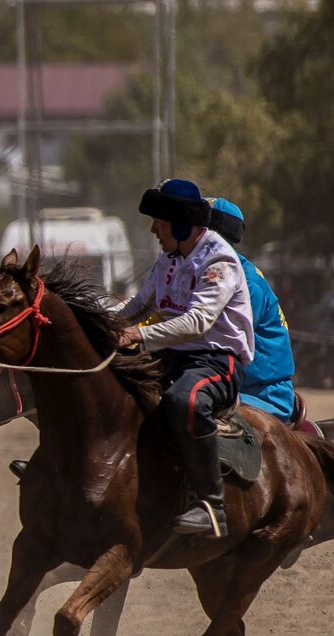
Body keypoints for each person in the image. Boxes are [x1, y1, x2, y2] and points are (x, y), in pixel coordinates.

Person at [117, 179, 254, 538]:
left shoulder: (219, 262)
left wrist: (139, 335)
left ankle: (211, 506)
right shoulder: (169, 259)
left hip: (215, 362)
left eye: (158, 223)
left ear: (180, 225)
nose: (153, 230)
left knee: (185, 401)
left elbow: (197, 322)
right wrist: (99, 322)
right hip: (170, 356)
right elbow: (138, 305)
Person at [208, 198, 296, 421]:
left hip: (264, 395)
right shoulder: (214, 272)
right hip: (235, 387)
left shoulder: (245, 283)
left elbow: (223, 339)